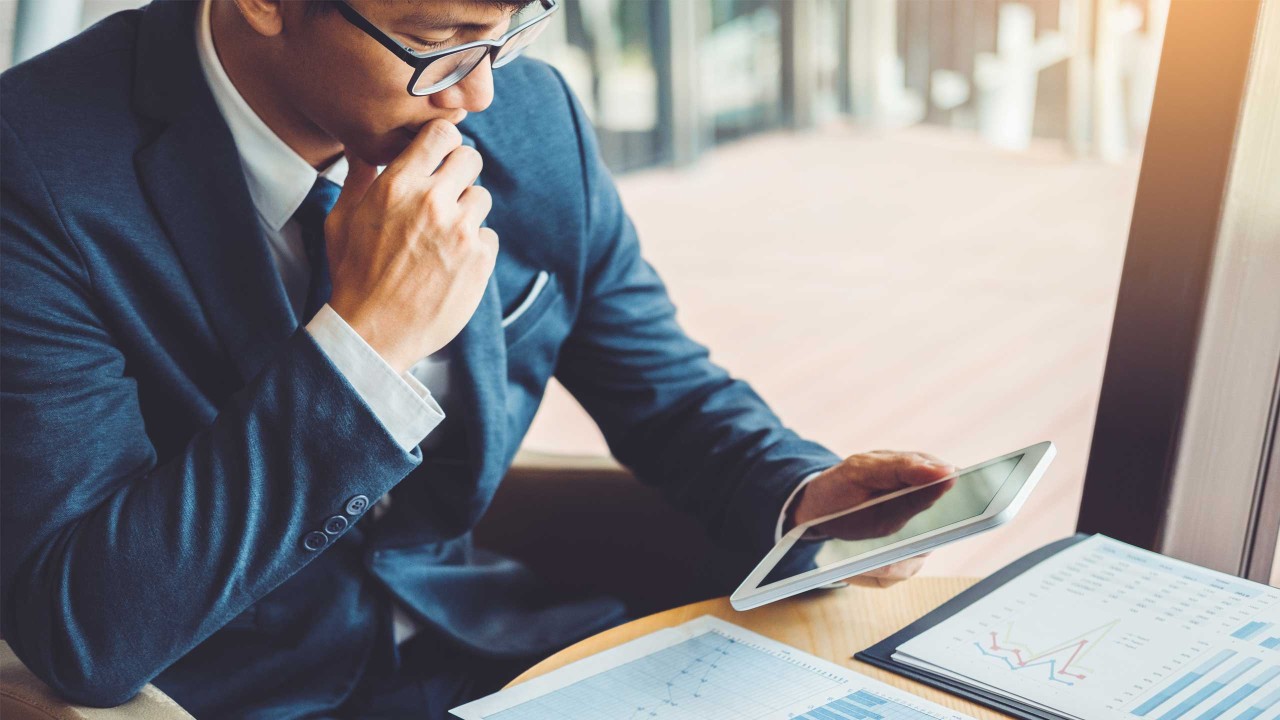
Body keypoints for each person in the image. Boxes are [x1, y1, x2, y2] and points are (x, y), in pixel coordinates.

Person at [0, 0, 956, 716]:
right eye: (441, 44)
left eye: (510, 30)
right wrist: (365, 345)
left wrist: (806, 499)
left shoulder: (532, 120)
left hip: (505, 654)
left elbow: (666, 395)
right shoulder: (33, 171)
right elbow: (87, 629)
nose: (480, 92)